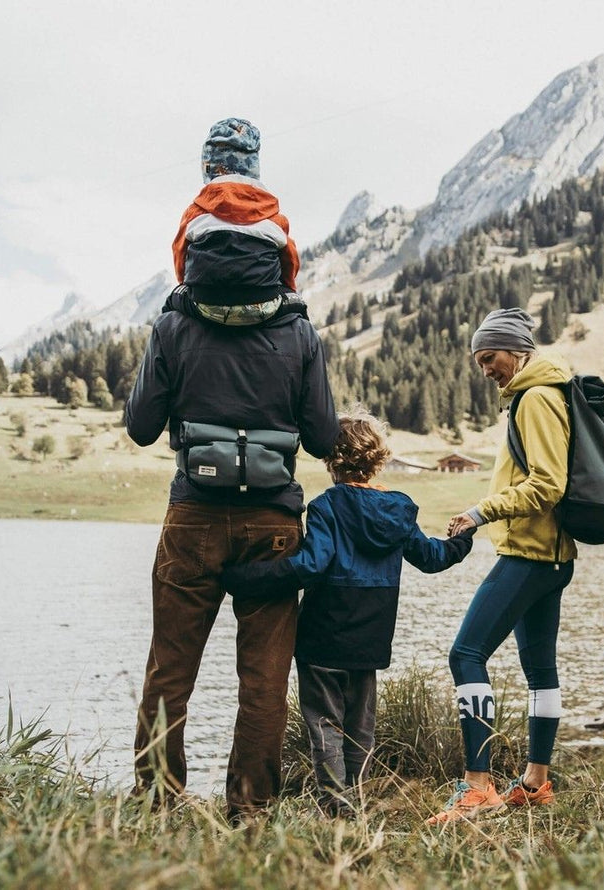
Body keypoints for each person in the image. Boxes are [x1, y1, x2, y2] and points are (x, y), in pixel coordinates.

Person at [125, 117, 340, 824]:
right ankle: (250, 813)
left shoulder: (175, 320)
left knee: (170, 669)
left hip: (192, 514)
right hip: (274, 522)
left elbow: (141, 426)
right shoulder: (298, 328)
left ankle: (158, 802)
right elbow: (323, 435)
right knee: (264, 680)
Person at [221, 407, 475, 817]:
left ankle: (336, 804)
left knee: (324, 723)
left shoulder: (327, 507)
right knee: (361, 727)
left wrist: (246, 577)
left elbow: (309, 565)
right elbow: (431, 557)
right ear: (379, 459)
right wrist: (462, 541)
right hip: (371, 635)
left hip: (324, 633)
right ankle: (351, 803)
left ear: (331, 460)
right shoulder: (398, 509)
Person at [427, 308, 577, 825]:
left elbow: (547, 485)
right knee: (541, 673)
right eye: (479, 361)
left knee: (465, 654)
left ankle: (478, 786)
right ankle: (536, 782)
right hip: (550, 558)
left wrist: (478, 511)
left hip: (531, 556)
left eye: (489, 358)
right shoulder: (541, 393)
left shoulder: (536, 398)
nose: (485, 369)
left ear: (516, 350)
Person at [172, 117, 301, 326]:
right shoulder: (273, 217)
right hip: (263, 304)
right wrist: (287, 289)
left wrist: (185, 284)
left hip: (205, 303)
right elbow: (290, 261)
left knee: (171, 302)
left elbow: (180, 255)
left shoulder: (195, 213)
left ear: (208, 165)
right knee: (298, 309)